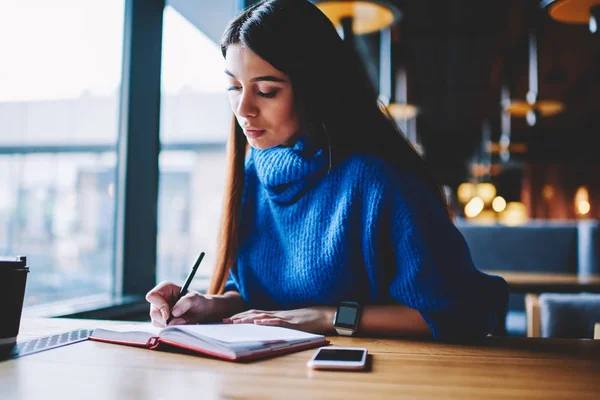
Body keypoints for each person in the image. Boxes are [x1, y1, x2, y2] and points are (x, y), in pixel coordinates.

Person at [146, 0, 509, 342]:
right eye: (234, 87)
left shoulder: (380, 182)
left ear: (313, 90)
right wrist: (211, 305)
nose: (244, 108)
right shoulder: (254, 171)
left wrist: (326, 317)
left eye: (267, 91)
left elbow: (460, 313)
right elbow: (258, 295)